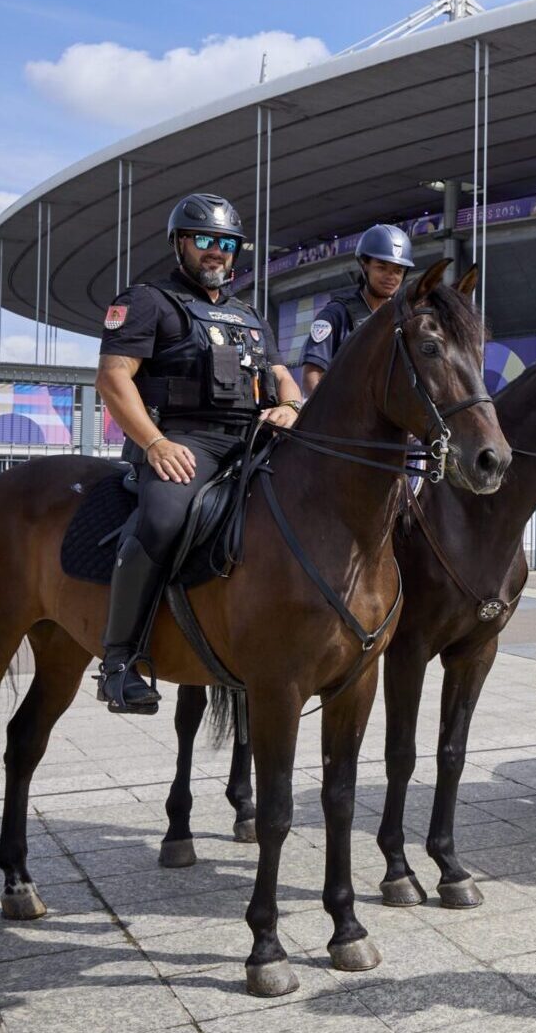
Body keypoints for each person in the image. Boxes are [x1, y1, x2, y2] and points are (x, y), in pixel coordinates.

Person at [95, 192, 304, 715]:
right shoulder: (147, 300)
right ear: (180, 244)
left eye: (228, 244)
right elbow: (113, 378)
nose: (218, 253)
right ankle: (119, 662)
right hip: (182, 443)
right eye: (206, 241)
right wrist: (155, 444)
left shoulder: (249, 312)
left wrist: (293, 407)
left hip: (250, 439)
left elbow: (279, 375)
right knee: (163, 519)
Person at [299, 223, 414, 395]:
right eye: (382, 267)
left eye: (397, 271)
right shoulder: (336, 315)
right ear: (364, 265)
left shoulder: (406, 318)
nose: (390, 277)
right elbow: (312, 376)